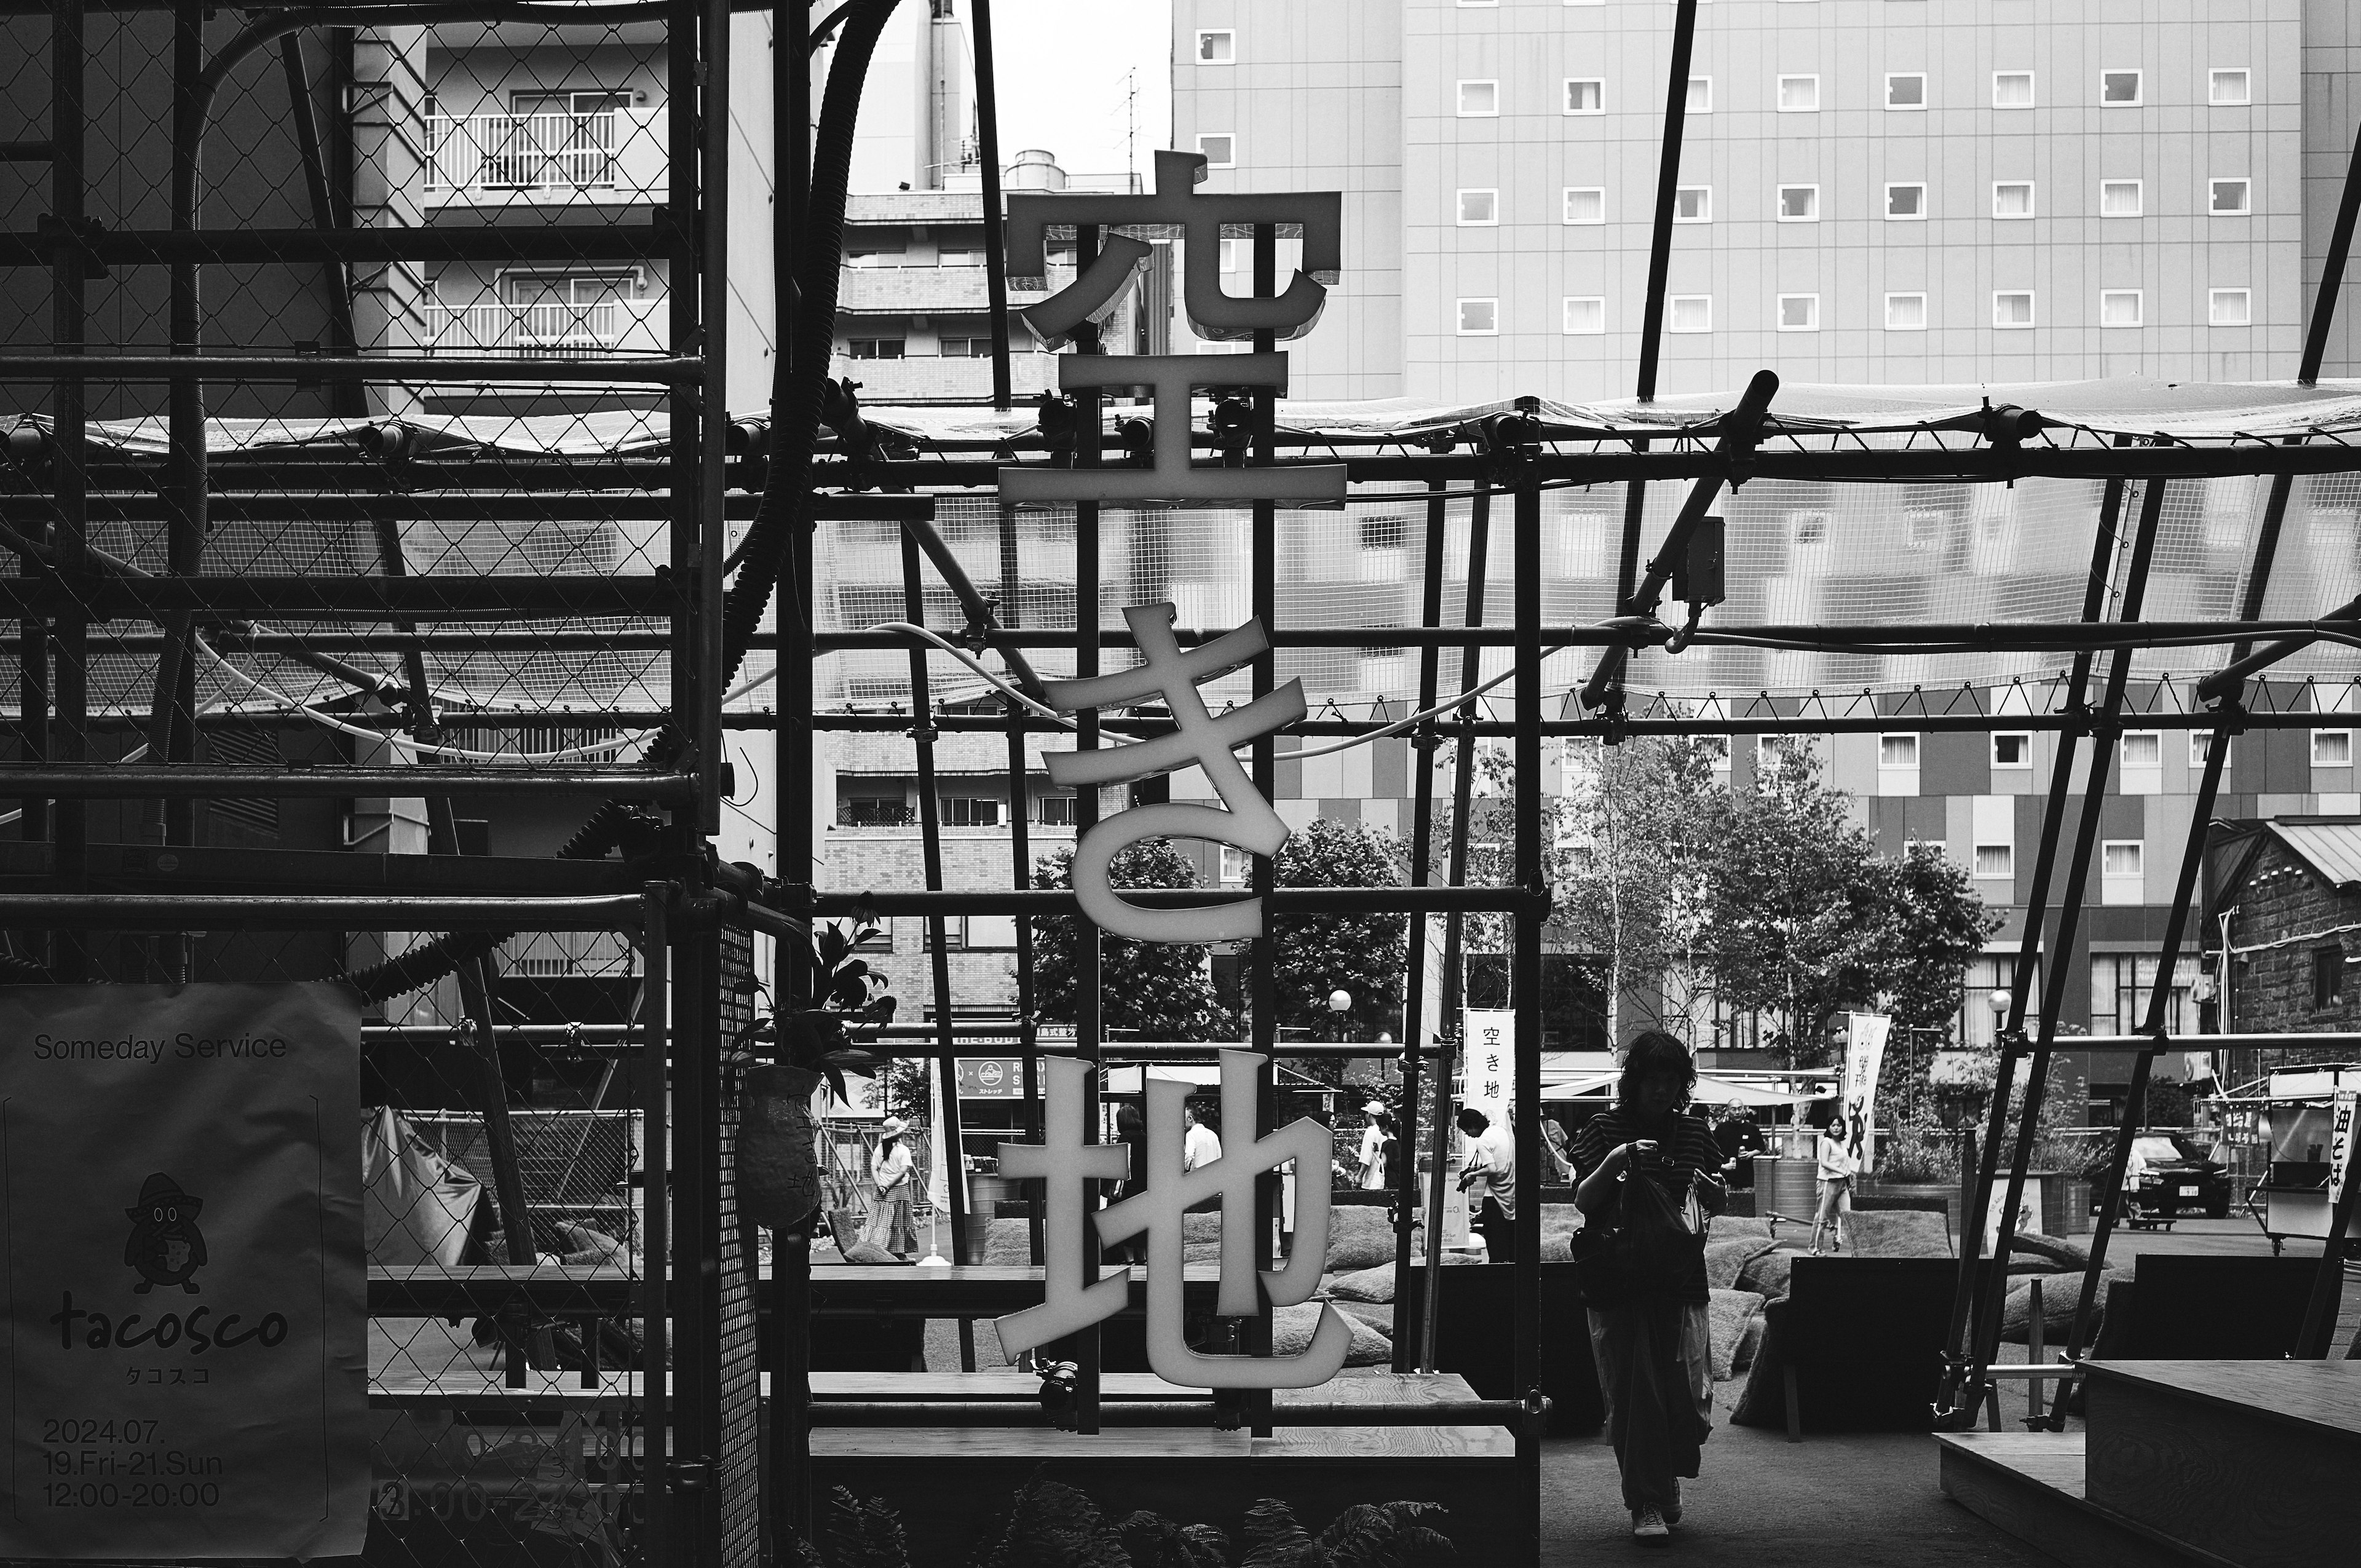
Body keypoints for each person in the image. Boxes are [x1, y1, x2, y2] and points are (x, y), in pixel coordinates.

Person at [1570, 1031, 1727, 1544]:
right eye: (1653, 1080)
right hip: (1620, 1281)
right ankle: (1646, 1501)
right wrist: (1616, 1161)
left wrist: (1715, 1197)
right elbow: (1584, 1202)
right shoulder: (1602, 1128)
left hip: (1682, 1282)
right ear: (1634, 1082)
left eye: (1672, 1080)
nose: (1662, 1090)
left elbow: (1709, 1206)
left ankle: (1661, 1479)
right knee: (1635, 1396)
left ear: (1683, 1085)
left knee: (1686, 1397)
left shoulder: (1697, 1133)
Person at [1455, 1106, 1516, 1263]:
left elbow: (1492, 1168)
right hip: (1511, 1192)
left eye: (1467, 1130)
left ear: (1473, 1126)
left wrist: (1472, 1175)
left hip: (1494, 1196)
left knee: (1495, 1242)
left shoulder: (1483, 1141)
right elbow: (1499, 1160)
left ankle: (1496, 1275)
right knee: (1510, 1241)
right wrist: (1473, 1169)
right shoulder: (1500, 1131)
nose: (1468, 1135)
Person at [863, 1117, 917, 1257]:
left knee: (880, 1221)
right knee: (899, 1221)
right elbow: (902, 1171)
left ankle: (879, 1251)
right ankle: (899, 1254)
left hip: (882, 1191)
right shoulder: (903, 1150)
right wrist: (887, 1185)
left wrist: (880, 1185)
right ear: (899, 1134)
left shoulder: (879, 1148)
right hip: (899, 1189)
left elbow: (874, 1168)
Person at [1812, 1113, 1857, 1256]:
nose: (1836, 1128)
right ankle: (1815, 1249)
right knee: (1822, 1217)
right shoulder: (1827, 1142)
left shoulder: (1842, 1144)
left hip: (1842, 1184)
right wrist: (1842, 1171)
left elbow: (1845, 1164)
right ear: (1829, 1127)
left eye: (1839, 1125)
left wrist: (1849, 1173)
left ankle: (1857, 1249)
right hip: (1828, 1183)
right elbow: (1824, 1163)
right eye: (1833, 1125)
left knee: (1848, 1216)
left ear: (1843, 1127)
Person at [1712, 1103, 1766, 1191]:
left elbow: (1761, 1148)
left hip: (1746, 1179)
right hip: (1725, 1179)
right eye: (1733, 1109)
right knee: (1725, 1204)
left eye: (1740, 1109)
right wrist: (1723, 1166)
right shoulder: (1721, 1129)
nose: (1737, 1112)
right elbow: (1712, 1151)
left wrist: (1750, 1154)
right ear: (1728, 1111)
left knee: (1747, 1204)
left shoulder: (1752, 1129)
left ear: (1744, 1110)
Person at [1358, 1101, 1393, 1190]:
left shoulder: (1370, 1132)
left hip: (1372, 1180)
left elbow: (1367, 1158)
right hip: (1386, 1178)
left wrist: (1359, 1176)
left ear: (1369, 1115)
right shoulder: (1387, 1129)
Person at [1182, 1099, 1222, 1173]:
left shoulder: (1191, 1134)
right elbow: (1219, 1157)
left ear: (1190, 1119)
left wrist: (1187, 1169)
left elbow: (1189, 1155)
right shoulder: (1213, 1134)